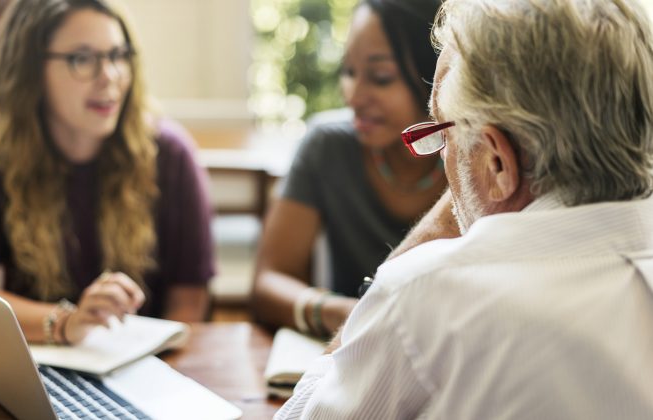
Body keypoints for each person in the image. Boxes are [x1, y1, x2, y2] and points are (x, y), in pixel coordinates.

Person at [275, 0, 653, 418]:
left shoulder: (426, 293)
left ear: (497, 162)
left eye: (443, 132)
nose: (443, 158)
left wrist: (429, 236)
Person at [0, 0, 215, 346]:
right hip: (40, 366)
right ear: (29, 69)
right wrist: (66, 323)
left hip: (148, 366)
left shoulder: (171, 155)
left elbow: (190, 301)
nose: (109, 76)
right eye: (82, 58)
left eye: (119, 55)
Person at [252, 0, 445, 338]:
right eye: (349, 72)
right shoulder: (327, 146)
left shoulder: (477, 159)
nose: (354, 96)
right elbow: (268, 282)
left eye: (381, 77)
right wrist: (339, 312)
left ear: (436, 75)